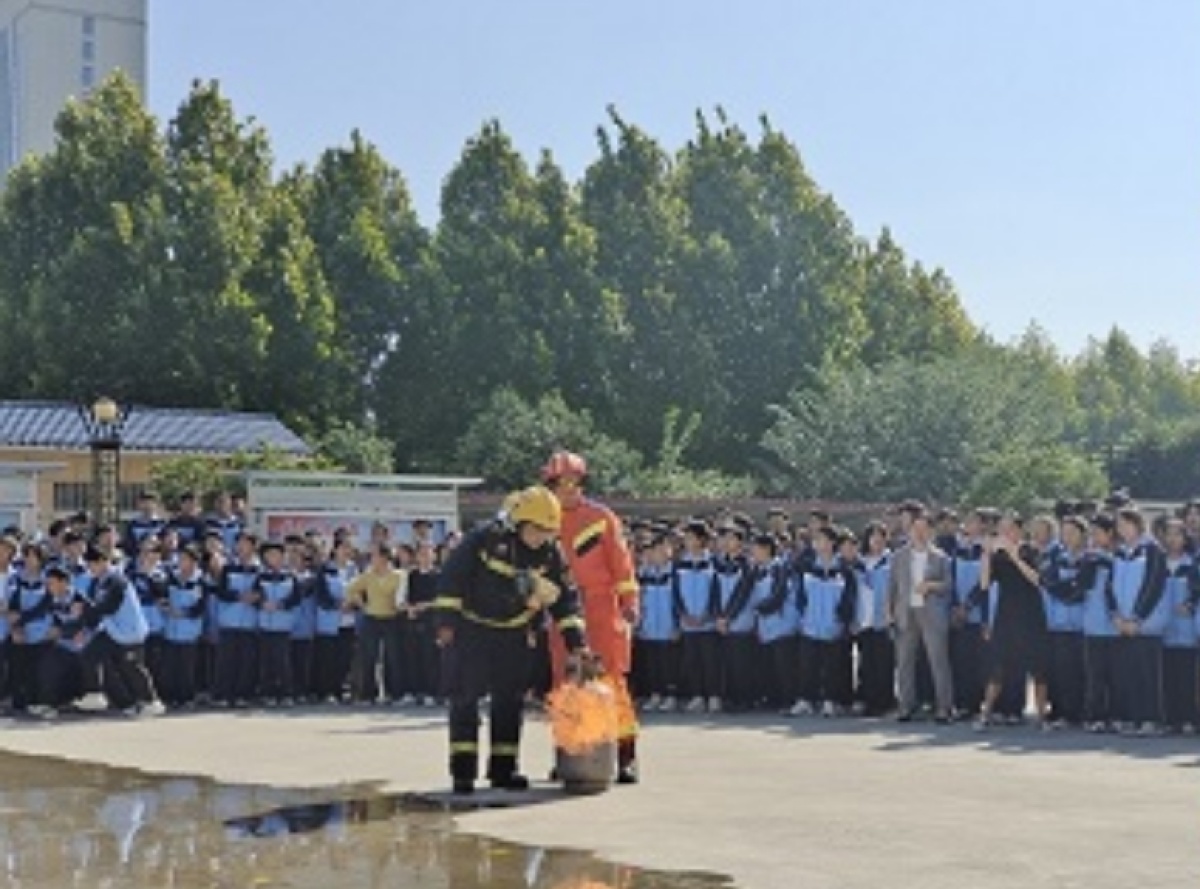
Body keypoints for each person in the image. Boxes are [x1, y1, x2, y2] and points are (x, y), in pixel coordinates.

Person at [433, 486, 587, 795]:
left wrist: (576, 641)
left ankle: (504, 770)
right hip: (471, 631)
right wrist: (446, 624)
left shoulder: (550, 553)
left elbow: (565, 600)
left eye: (547, 531)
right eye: (535, 530)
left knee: (509, 701)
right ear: (519, 524)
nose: (540, 537)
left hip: (514, 633)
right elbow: (451, 579)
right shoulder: (483, 540)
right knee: (465, 699)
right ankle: (463, 773)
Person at [540, 451, 642, 783]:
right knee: (564, 685)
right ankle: (567, 754)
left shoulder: (602, 517)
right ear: (550, 485)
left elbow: (621, 564)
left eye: (574, 482)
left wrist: (629, 601)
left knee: (611, 682)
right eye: (561, 483)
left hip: (602, 607)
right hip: (561, 610)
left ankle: (626, 757)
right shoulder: (543, 521)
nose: (568, 489)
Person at [975, 513, 1050, 731]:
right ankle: (986, 713)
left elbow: (1038, 580)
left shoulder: (1032, 551)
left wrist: (1015, 557)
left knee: (1038, 668)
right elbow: (984, 584)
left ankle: (1041, 717)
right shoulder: (997, 556)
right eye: (1001, 530)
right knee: (997, 667)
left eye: (1009, 529)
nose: (1004, 534)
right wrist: (987, 556)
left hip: (1031, 615)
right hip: (1006, 615)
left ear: (1019, 531)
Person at [73, 546, 165, 717]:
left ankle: (151, 701)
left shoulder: (117, 580)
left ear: (103, 562)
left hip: (130, 631)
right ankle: (95, 694)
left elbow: (108, 607)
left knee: (132, 667)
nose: (90, 569)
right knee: (90, 655)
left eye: (92, 564)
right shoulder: (97, 582)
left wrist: (86, 610)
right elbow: (95, 610)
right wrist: (84, 628)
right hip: (112, 630)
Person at [887, 510, 953, 723]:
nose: (920, 533)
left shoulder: (940, 557)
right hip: (905, 612)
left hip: (932, 613)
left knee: (938, 660)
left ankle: (944, 707)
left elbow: (949, 587)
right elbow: (892, 587)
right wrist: (889, 613)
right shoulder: (899, 556)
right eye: (916, 529)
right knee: (904, 661)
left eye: (925, 529)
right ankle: (906, 706)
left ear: (932, 532)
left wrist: (932, 585)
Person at [1109, 507, 1169, 736]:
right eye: (1119, 525)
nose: (1122, 529)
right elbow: (1110, 586)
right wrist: (1115, 615)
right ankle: (1132, 718)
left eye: (1126, 524)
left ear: (1137, 524)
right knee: (1127, 673)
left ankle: (1151, 719)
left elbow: (1153, 587)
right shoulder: (1120, 552)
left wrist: (1137, 618)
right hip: (1122, 623)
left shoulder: (1152, 550)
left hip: (1146, 625)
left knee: (1147, 674)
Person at [344, 543, 406, 705]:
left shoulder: (398, 575)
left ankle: (394, 693)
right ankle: (368, 694)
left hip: (391, 618)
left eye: (375, 556)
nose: (372, 559)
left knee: (392, 657)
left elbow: (402, 596)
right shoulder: (368, 575)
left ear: (384, 558)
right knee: (368, 656)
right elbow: (351, 589)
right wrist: (361, 604)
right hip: (371, 618)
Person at [672, 521, 720, 714]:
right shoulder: (680, 563)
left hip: (707, 622)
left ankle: (714, 696)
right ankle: (697, 696)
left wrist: (708, 614)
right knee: (692, 661)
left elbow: (716, 592)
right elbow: (675, 593)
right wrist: (683, 613)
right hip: (688, 622)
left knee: (710, 660)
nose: (687, 541)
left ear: (701, 539)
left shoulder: (713, 562)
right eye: (686, 537)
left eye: (691, 537)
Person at [1160, 519, 1199, 733]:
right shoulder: (1158, 563)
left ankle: (1188, 719)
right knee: (1168, 675)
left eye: (1178, 534)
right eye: (1169, 534)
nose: (1173, 539)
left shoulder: (1192, 564)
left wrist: (1190, 605)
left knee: (1187, 676)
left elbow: (1197, 592)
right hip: (1164, 629)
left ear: (1185, 539)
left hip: (1186, 629)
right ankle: (1171, 718)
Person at [161, 545, 207, 708]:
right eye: (180, 559)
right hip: (171, 630)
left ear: (194, 562)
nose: (181, 563)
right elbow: (163, 596)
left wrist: (184, 613)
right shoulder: (171, 578)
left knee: (187, 667)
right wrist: (165, 606)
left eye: (185, 559)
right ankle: (171, 696)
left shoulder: (201, 580)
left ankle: (187, 697)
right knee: (171, 666)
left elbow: (201, 607)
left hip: (190, 631)